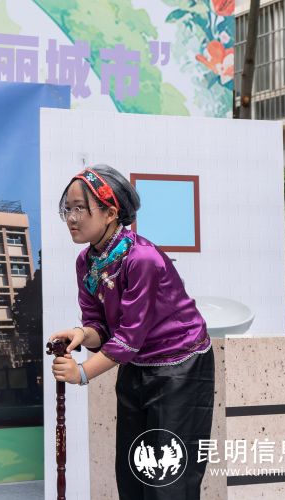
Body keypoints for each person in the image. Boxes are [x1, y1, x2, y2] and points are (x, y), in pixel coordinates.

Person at [49, 165, 215, 499]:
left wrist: (82, 373)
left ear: (111, 213)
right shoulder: (86, 262)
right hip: (136, 365)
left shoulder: (142, 258)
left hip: (180, 368)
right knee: (133, 473)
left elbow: (128, 337)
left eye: (80, 208)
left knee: (168, 481)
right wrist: (82, 334)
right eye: (67, 209)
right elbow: (100, 326)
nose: (71, 218)